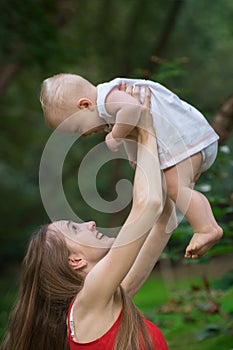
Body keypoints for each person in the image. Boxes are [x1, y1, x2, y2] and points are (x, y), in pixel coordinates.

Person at [2, 92, 170, 350]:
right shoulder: (89, 301)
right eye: (75, 228)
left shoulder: (109, 297)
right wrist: (146, 128)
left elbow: (161, 220)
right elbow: (148, 205)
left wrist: (139, 145)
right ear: (75, 261)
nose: (90, 223)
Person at [40, 73, 223, 259]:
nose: (83, 135)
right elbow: (131, 125)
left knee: (176, 187)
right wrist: (134, 156)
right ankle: (206, 225)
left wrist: (116, 135)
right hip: (191, 142)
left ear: (85, 105)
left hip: (188, 141)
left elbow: (132, 109)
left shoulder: (106, 98)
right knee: (173, 189)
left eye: (78, 128)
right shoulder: (110, 108)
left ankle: (206, 228)